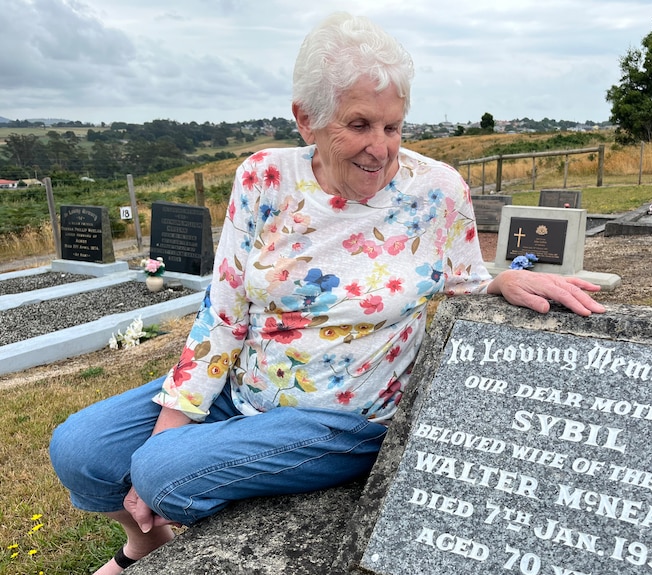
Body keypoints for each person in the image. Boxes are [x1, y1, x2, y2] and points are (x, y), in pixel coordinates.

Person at [49, 12, 605, 574]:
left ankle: (181, 493)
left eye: (394, 127)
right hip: (245, 384)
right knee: (81, 450)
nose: (380, 148)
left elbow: (463, 283)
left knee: (164, 474)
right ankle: (147, 542)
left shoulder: (437, 191)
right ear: (306, 119)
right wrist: (175, 421)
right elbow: (225, 309)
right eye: (359, 125)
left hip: (345, 417)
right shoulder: (264, 178)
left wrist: (502, 279)